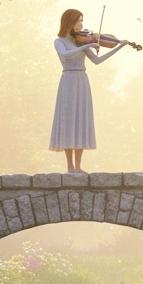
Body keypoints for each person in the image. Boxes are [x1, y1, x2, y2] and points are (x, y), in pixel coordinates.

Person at [49, 9, 128, 172]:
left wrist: (119, 47)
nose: (81, 24)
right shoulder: (60, 42)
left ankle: (78, 167)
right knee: (68, 120)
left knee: (80, 120)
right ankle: (70, 167)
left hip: (82, 80)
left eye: (82, 21)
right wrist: (88, 44)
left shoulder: (80, 42)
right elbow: (65, 54)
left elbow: (97, 60)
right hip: (68, 79)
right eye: (78, 21)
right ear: (69, 21)